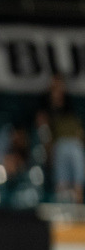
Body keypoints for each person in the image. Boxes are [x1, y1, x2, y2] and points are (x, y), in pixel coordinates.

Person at [36, 74, 85, 203]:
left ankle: (78, 194)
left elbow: (78, 128)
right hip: (59, 143)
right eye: (55, 86)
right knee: (63, 158)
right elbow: (43, 127)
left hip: (74, 143)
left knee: (77, 154)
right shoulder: (45, 105)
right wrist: (48, 147)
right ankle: (62, 197)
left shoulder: (69, 103)